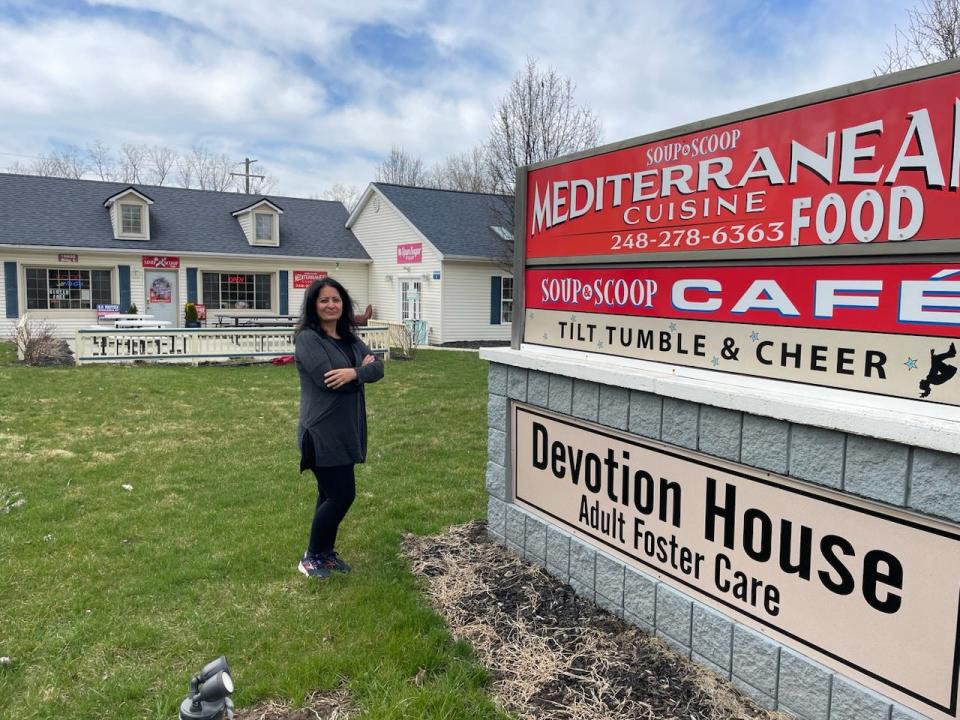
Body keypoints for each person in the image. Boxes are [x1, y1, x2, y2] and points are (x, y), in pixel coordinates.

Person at [294, 277, 384, 578]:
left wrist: (354, 372)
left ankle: (324, 554)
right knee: (342, 494)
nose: (331, 305)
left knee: (329, 494)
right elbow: (328, 380)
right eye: (324, 300)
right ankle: (312, 557)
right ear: (314, 305)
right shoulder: (308, 338)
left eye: (336, 299)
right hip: (321, 431)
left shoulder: (349, 338)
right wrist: (360, 373)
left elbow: (378, 368)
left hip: (347, 429)